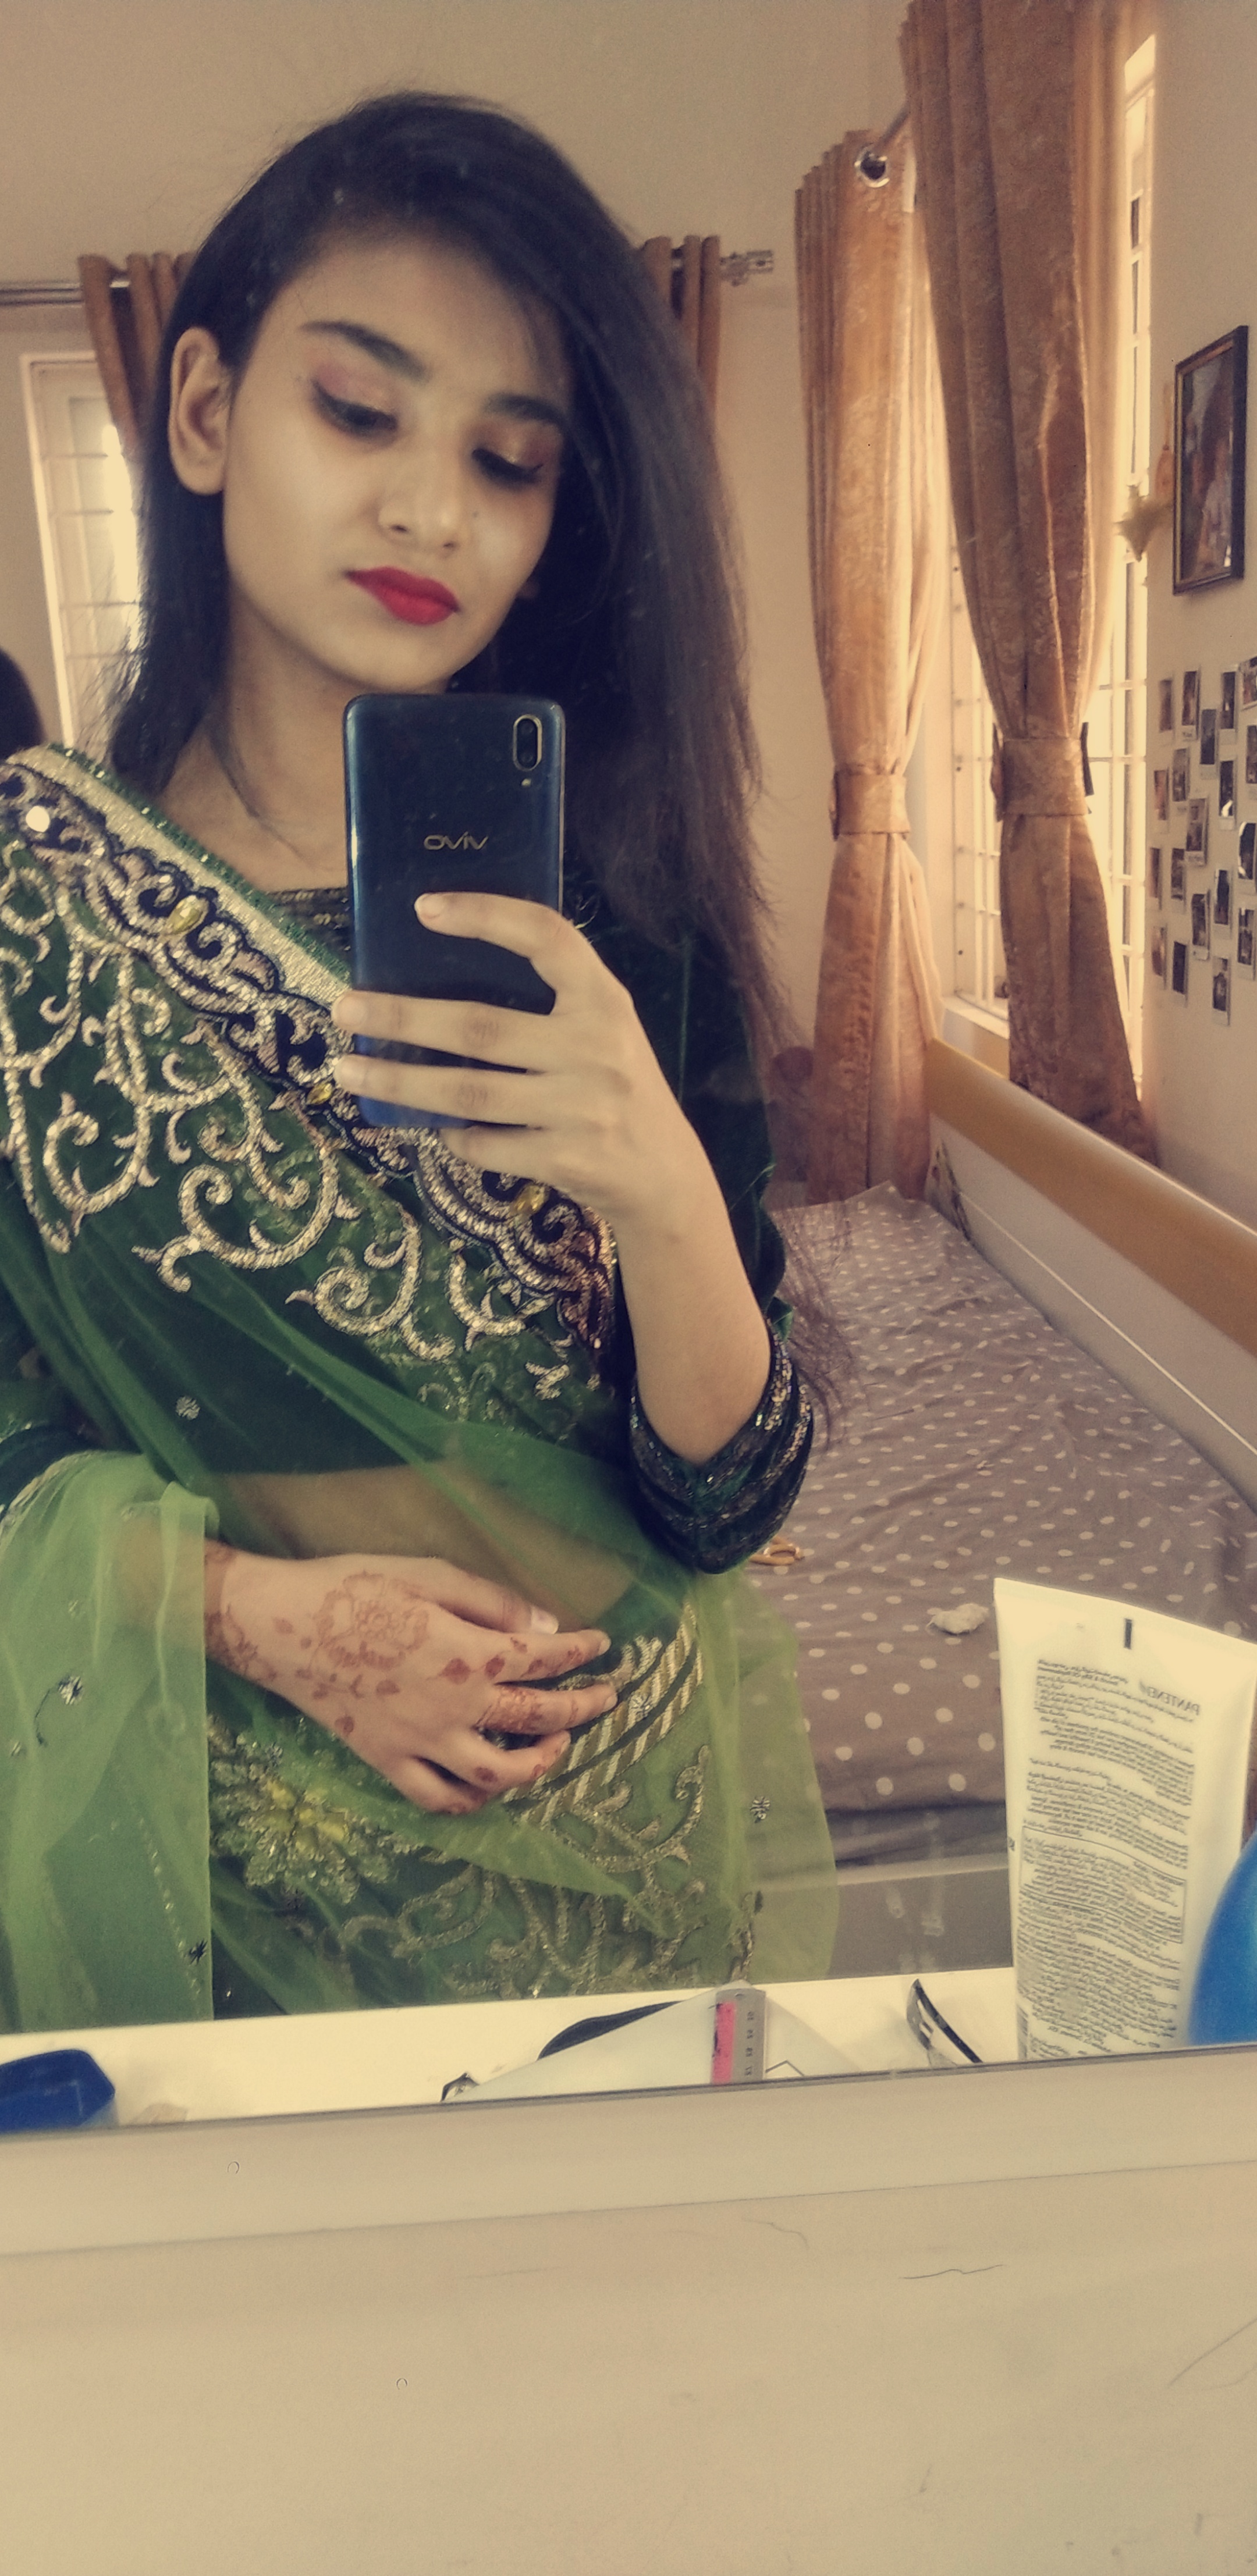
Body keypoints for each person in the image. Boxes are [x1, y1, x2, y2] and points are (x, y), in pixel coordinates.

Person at [0, 92, 836, 2031]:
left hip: (616, 1856)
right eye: (360, 411)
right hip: (222, 1877)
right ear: (204, 411)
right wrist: (263, 1616)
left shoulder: (628, 914)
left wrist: (660, 1192)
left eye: (508, 459)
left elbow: (726, 1507)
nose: (432, 510)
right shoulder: (37, 917)